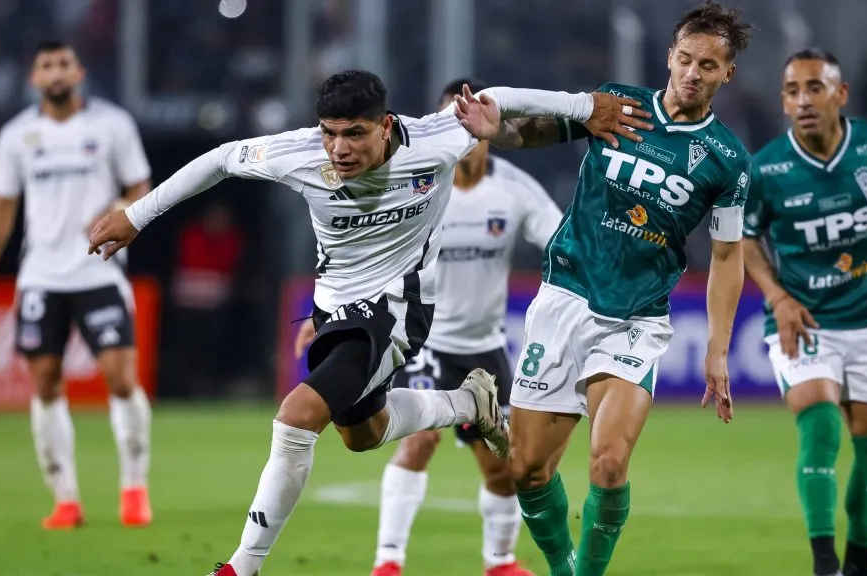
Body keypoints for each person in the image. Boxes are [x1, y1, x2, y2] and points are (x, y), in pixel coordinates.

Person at [86, 69, 652, 576]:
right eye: (330, 132)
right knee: (363, 434)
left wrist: (585, 107)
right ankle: (466, 404)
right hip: (334, 308)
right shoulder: (299, 153)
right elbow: (219, 160)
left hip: (399, 307)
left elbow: (499, 97)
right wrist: (136, 217)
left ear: (385, 126)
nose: (339, 148)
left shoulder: (435, 139)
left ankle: (242, 566)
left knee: (296, 416)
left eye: (354, 133)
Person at [452, 2, 752, 574]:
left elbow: (727, 253)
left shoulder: (728, 161)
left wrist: (718, 348)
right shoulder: (622, 105)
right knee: (527, 470)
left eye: (708, 66)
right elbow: (543, 128)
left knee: (609, 462)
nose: (693, 73)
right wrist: (501, 132)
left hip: (637, 317)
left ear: (726, 74)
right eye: (685, 59)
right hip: (565, 295)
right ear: (669, 56)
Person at [291, 77, 564, 576]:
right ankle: (388, 561)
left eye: (464, 120)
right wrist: (324, 316)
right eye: (447, 120)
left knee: (504, 466)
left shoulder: (515, 191)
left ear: (487, 128)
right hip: (422, 339)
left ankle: (499, 561)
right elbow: (352, 253)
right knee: (418, 442)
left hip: (484, 346)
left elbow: (561, 242)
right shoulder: (415, 179)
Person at [742, 48, 867, 576]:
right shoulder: (767, 168)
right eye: (792, 91)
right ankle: (824, 564)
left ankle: (859, 563)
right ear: (784, 102)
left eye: (814, 87)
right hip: (804, 320)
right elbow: (743, 241)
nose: (803, 100)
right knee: (820, 425)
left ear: (841, 94)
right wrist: (779, 298)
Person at [0, 40, 154, 530]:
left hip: (99, 271)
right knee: (46, 382)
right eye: (46, 65)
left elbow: (141, 187)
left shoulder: (112, 125)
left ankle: (134, 488)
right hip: (41, 276)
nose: (56, 72)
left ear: (79, 71)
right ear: (34, 78)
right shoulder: (17, 136)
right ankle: (66, 499)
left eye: (63, 64)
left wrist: (117, 207)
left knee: (120, 377)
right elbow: (2, 207)